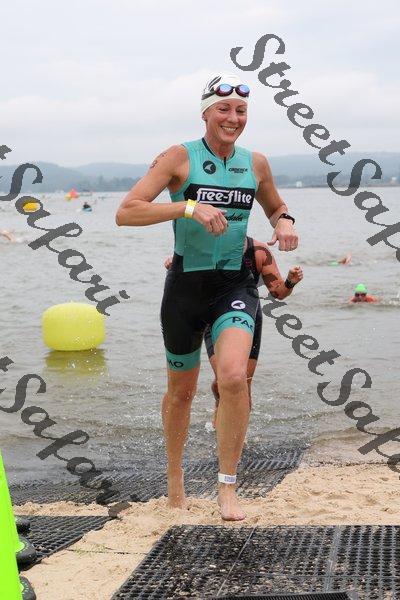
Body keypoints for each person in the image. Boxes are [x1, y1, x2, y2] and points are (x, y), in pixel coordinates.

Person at [115, 72, 298, 521]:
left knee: (233, 377)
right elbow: (127, 212)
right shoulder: (179, 157)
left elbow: (276, 206)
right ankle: (175, 480)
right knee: (181, 393)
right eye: (223, 109)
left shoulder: (256, 164)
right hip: (184, 288)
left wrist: (284, 222)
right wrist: (188, 207)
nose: (233, 118)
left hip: (234, 285)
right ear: (206, 113)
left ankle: (227, 487)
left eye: (241, 111)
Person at [165, 237, 303, 428]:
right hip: (212, 314)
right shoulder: (202, 246)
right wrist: (176, 267)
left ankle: (239, 438)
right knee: (223, 381)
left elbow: (278, 293)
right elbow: (184, 278)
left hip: (247, 316)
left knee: (242, 383)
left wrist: (290, 282)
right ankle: (219, 411)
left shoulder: (258, 251)